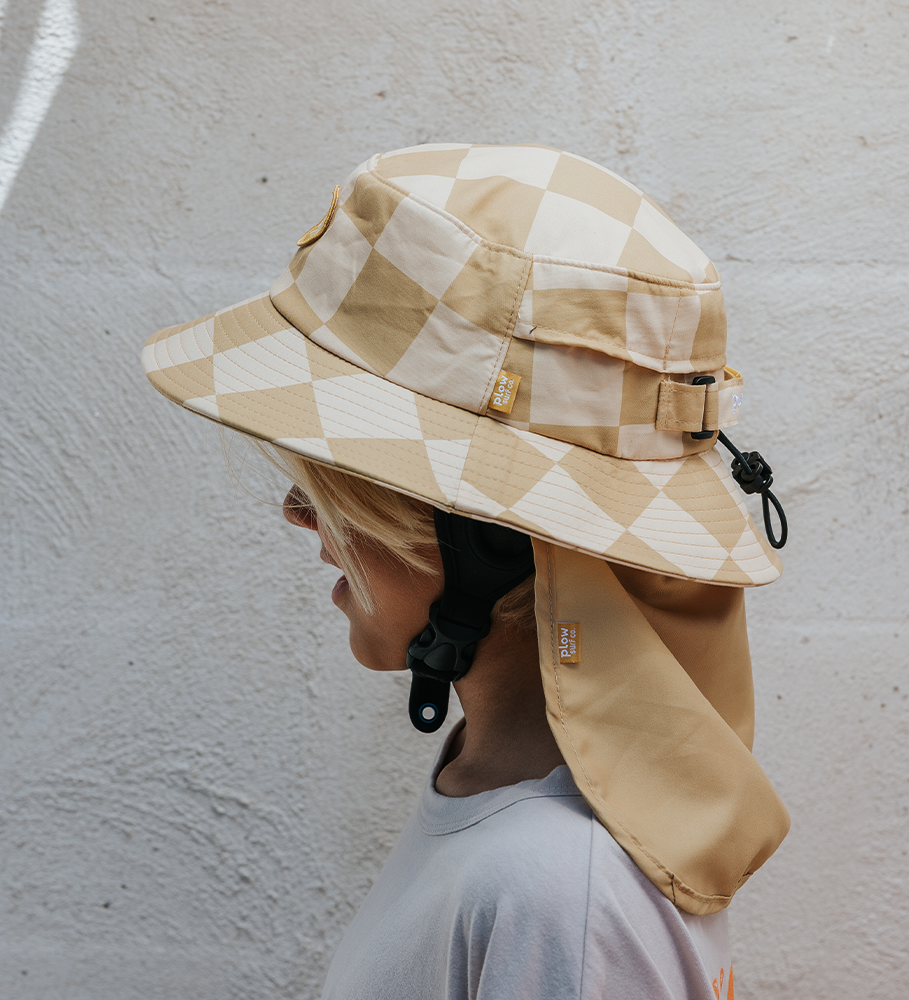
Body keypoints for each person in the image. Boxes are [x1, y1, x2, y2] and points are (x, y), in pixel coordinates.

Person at [141, 142, 792, 999]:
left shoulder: (555, 890)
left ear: (488, 533)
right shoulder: (502, 812)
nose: (300, 517)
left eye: (338, 490)